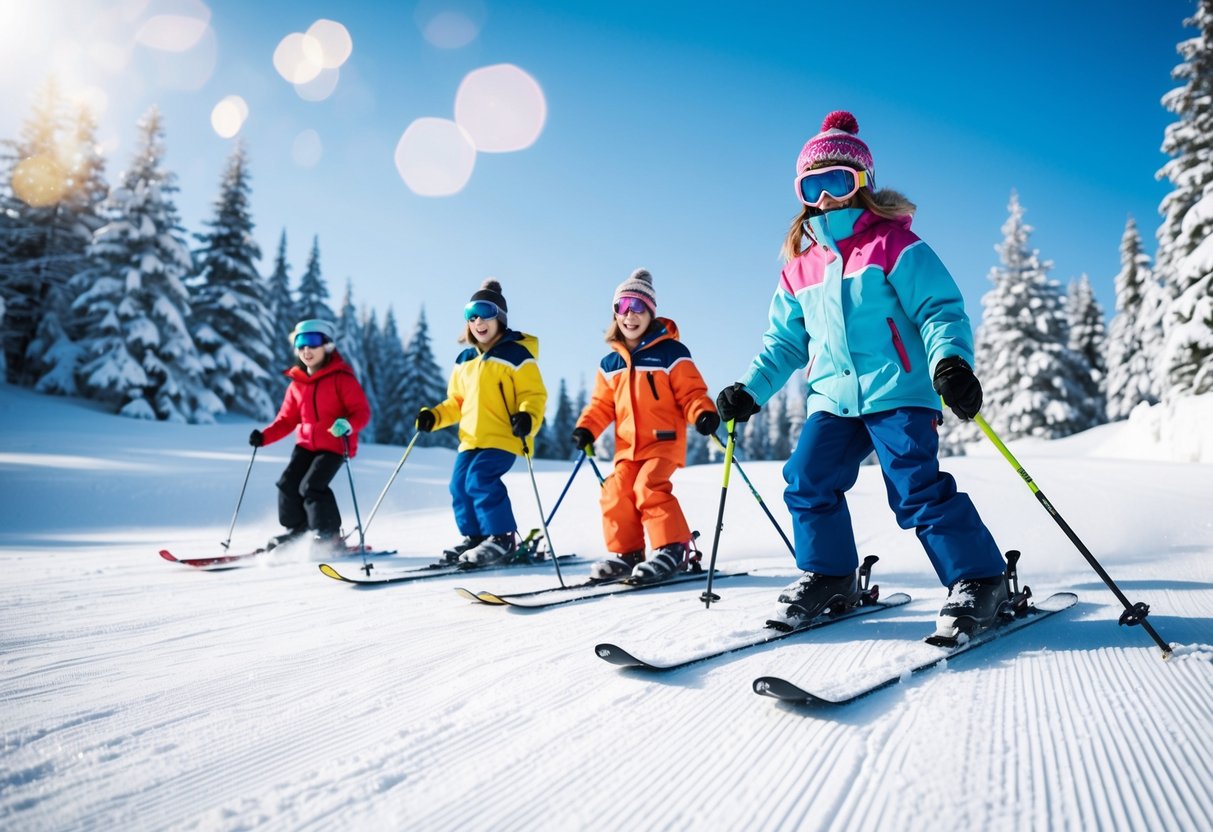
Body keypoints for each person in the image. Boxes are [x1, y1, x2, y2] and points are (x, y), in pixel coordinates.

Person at [715, 110, 1008, 635]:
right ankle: (830, 574)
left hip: (899, 390)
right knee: (807, 479)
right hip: (832, 399)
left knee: (915, 488)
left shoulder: (895, 246)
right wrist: (749, 391)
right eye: (813, 185)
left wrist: (951, 363)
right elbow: (783, 343)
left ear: (862, 184)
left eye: (838, 180)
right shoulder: (800, 267)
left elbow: (940, 310)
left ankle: (979, 579)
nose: (826, 196)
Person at [572, 268, 719, 583]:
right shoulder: (610, 364)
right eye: (622, 307)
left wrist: (702, 413)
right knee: (615, 491)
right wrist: (587, 428)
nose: (630, 315)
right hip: (628, 448)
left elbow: (691, 392)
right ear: (615, 313)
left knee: (648, 487)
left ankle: (673, 548)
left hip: (663, 442)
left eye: (638, 307)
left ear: (651, 312)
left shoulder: (671, 353)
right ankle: (627, 553)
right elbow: (601, 406)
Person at [416, 279, 547, 565]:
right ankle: (476, 537)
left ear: (499, 317)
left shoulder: (517, 355)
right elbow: (456, 402)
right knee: (458, 485)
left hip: (504, 436)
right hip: (471, 440)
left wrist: (527, 417)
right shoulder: (464, 360)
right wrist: (434, 416)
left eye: (485, 313)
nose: (478, 321)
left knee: (480, 479)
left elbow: (533, 394)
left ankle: (501, 538)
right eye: (471, 316)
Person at [250, 319, 372, 554]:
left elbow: (361, 412)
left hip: (335, 445)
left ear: (326, 346)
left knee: (312, 487)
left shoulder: (341, 378)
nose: (306, 349)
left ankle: (328, 536)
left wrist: (347, 424)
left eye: (313, 342)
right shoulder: (297, 384)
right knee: (287, 484)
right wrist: (263, 437)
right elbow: (286, 420)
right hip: (306, 444)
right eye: (300, 343)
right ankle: (298, 529)